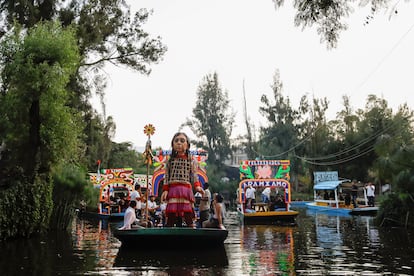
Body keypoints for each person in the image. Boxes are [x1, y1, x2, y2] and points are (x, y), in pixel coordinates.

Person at [160, 132, 204, 228]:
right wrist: (165, 189)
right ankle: (169, 228)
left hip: (186, 189)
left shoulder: (191, 160)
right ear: (172, 144)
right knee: (171, 211)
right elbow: (166, 176)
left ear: (187, 145)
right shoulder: (170, 160)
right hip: (173, 188)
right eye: (176, 141)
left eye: (182, 141)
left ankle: (191, 227)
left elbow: (194, 175)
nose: (179, 143)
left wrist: (197, 186)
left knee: (188, 211)